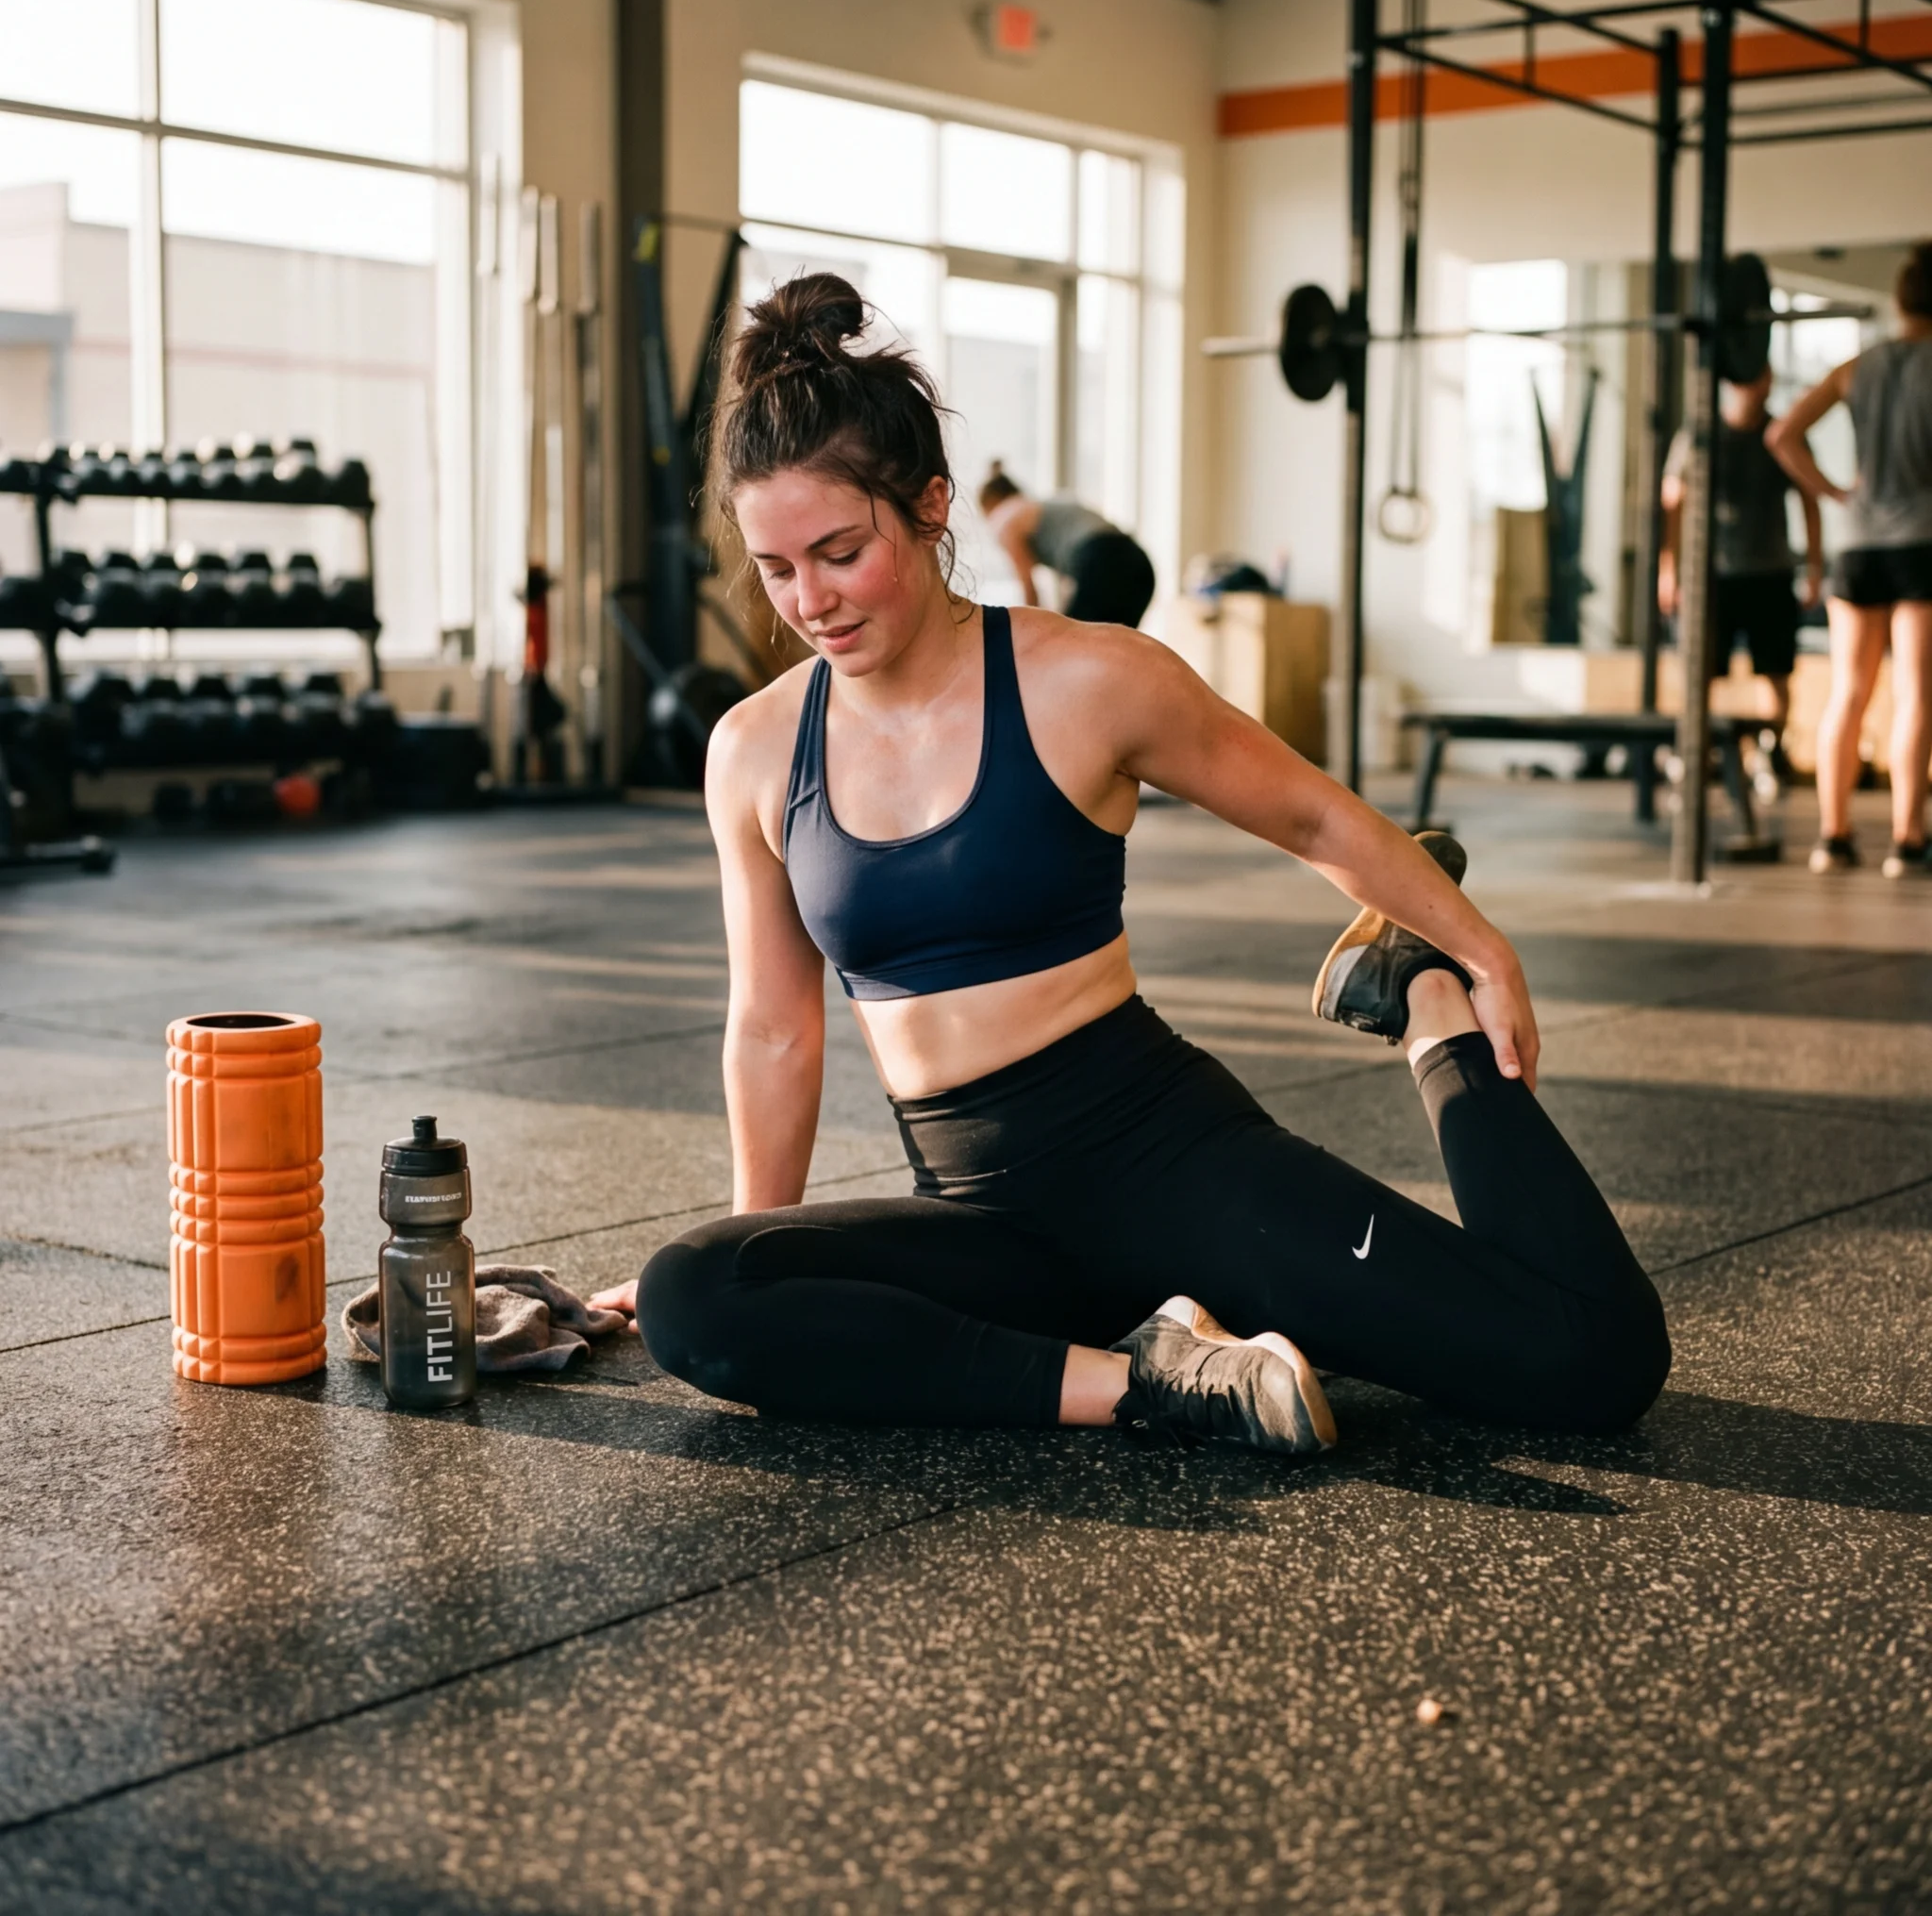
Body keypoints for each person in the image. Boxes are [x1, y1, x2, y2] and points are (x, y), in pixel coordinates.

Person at [591, 273, 1670, 1458]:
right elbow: (774, 1027)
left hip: (1173, 1165)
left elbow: (1312, 818)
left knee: (1593, 1359)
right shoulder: (752, 749)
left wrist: (1478, 949)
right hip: (983, 1219)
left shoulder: (1086, 680)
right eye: (776, 567)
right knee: (698, 1294)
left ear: (930, 503)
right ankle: (1155, 1380)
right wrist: (765, 1253)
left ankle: (1416, 1003)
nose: (809, 600)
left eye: (840, 552)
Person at [1766, 242, 1932, 877]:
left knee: (1849, 690)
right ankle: (1906, 841)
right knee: (1916, 693)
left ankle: (1833, 838)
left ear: (1899, 300)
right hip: (1921, 541)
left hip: (1859, 543)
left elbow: (1782, 434)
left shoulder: (1859, 366)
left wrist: (1836, 491)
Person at [1657, 366, 1823, 779]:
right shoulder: (1698, 435)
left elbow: (1810, 498)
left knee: (1777, 670)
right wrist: (1669, 568)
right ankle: (1701, 752)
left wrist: (1814, 566)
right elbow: (1672, 504)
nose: (1750, 385)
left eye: (1757, 376)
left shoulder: (1786, 434)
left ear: (1767, 380)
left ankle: (1771, 751)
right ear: (1730, 382)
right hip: (1712, 575)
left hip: (1771, 570)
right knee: (1703, 668)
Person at [977, 464, 1158, 628]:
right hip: (1138, 563)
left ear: (989, 505)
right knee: (1119, 648)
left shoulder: (1003, 518)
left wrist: (1026, 632)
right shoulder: (1043, 505)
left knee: (1075, 643)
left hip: (1103, 561)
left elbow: (1028, 586)